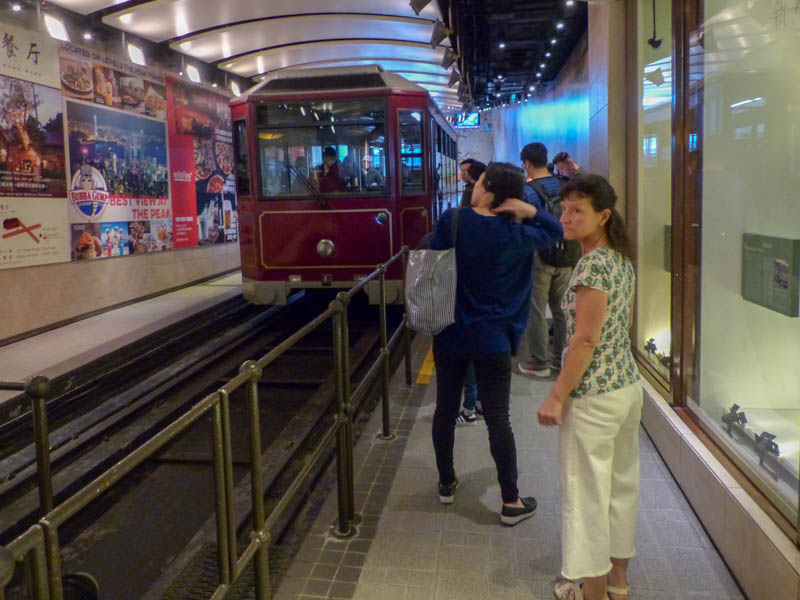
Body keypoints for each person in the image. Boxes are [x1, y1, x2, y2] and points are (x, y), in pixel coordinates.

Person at [428, 162, 563, 524]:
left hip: (450, 333)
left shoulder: (453, 222)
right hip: (493, 339)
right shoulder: (517, 235)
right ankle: (510, 501)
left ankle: (446, 482)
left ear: (486, 187)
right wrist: (530, 211)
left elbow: (429, 252)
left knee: (445, 410)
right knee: (498, 418)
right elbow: (556, 230)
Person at [537, 173, 642, 600]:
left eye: (577, 209)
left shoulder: (594, 264)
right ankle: (618, 583)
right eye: (563, 208)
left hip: (594, 397)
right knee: (621, 486)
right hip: (627, 388)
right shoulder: (621, 259)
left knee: (586, 496)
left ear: (602, 215)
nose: (566, 216)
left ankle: (592, 592)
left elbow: (584, 340)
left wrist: (557, 394)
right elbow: (621, 328)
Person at [518, 142, 577, 379]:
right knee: (562, 309)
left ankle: (540, 362)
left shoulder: (527, 191)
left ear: (527, 164)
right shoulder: (565, 185)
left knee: (536, 310)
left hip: (539, 256)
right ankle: (560, 360)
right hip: (566, 255)